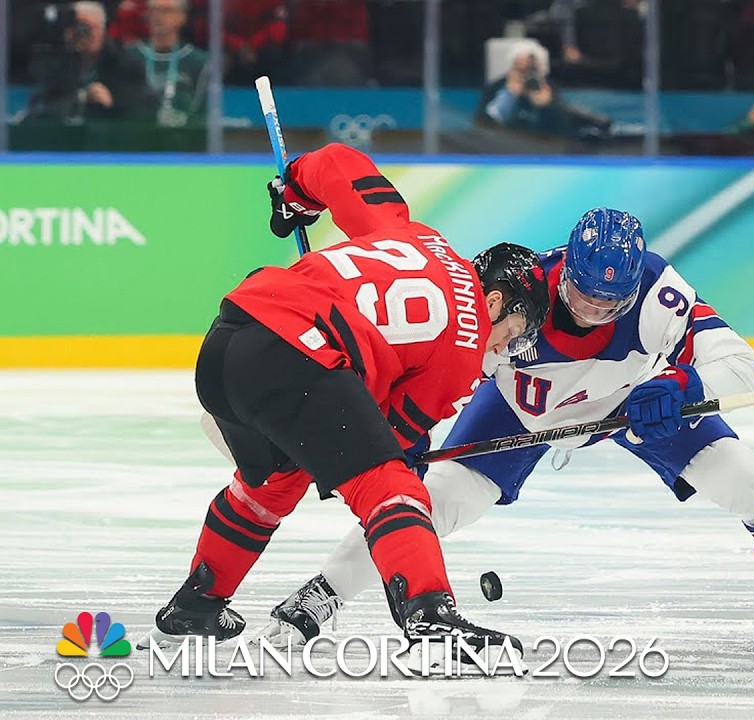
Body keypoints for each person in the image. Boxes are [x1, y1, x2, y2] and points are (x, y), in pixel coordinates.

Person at [251, 207, 754, 651]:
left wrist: (679, 384)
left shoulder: (659, 294)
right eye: (584, 294)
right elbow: (435, 359)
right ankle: (319, 597)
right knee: (430, 502)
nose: (593, 310)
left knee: (747, 479)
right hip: (524, 408)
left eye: (609, 303)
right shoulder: (514, 289)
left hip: (631, 404)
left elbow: (742, 365)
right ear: (564, 273)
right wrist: (401, 428)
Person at [140, 143, 550, 671]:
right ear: (495, 302)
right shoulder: (467, 343)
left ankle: (197, 602)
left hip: (230, 339)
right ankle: (430, 613)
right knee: (392, 487)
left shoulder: (415, 234)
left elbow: (338, 164)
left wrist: (295, 195)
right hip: (297, 356)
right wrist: (405, 456)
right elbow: (391, 437)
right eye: (511, 333)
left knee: (274, 482)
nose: (501, 350)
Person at [23, 1, 153, 123]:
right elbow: (40, 104)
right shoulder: (55, 63)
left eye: (86, 28)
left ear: (102, 31)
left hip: (108, 137)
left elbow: (141, 108)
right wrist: (82, 98)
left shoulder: (126, 64)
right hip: (63, 138)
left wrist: (112, 102)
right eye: (76, 27)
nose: (81, 34)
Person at [475, 41, 611, 143]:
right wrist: (508, 97)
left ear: (539, 69)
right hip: (503, 148)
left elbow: (562, 133)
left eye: (530, 70)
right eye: (520, 69)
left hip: (540, 148)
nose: (525, 76)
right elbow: (483, 126)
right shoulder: (496, 88)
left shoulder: (548, 88)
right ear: (511, 68)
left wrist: (547, 107)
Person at [128, 0, 209, 127]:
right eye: (153, 10)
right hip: (138, 136)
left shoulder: (199, 61)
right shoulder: (128, 56)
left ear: (182, 17)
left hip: (183, 139)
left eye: (166, 11)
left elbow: (204, 110)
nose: (158, 16)